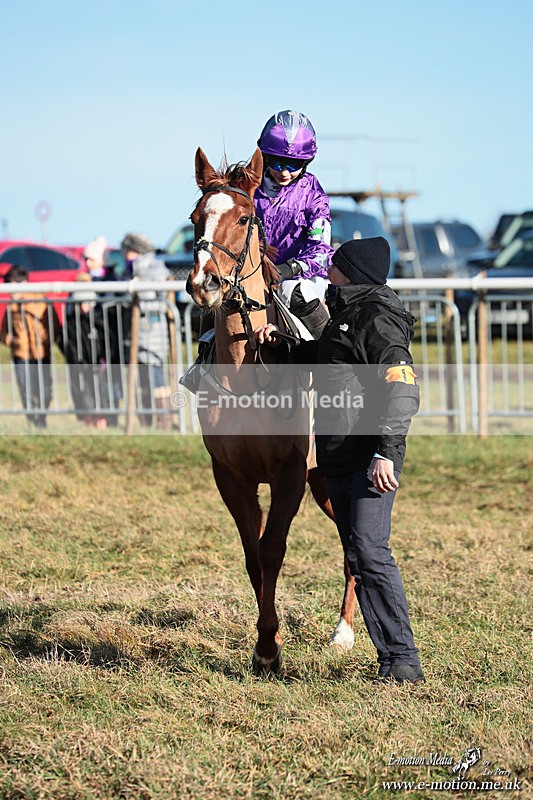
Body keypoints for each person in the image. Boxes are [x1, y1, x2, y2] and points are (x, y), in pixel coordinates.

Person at [255, 237, 425, 684]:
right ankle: (390, 661)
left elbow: (403, 389)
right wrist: (282, 343)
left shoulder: (377, 318)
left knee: (370, 552)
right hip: (340, 457)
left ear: (351, 272)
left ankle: (403, 661)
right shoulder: (346, 314)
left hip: (370, 461)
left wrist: (386, 453)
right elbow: (326, 360)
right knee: (359, 553)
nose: (327, 270)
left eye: (335, 265)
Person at [254, 109, 334, 339]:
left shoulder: (313, 193)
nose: (286, 172)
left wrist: (291, 269)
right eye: (278, 164)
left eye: (294, 164)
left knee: (292, 292)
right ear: (265, 157)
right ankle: (204, 358)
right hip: (255, 273)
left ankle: (329, 356)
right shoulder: (249, 186)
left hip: (301, 276)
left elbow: (321, 250)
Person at [121, 233, 171, 428]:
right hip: (134, 333)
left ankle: (163, 419)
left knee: (156, 376)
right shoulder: (130, 270)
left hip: (152, 332)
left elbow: (160, 298)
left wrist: (140, 294)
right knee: (142, 378)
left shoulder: (155, 268)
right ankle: (145, 419)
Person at [0, 265, 60, 429]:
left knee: (45, 389)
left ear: (23, 283)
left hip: (41, 353)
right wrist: (9, 340)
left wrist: (48, 341)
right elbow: (4, 330)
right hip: (21, 354)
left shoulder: (40, 301)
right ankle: (31, 420)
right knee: (25, 389)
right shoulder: (11, 306)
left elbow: (53, 324)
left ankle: (41, 417)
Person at [61, 274, 111, 429]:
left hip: (98, 363)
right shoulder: (71, 323)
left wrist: (103, 358)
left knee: (100, 393)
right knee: (83, 393)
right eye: (80, 303)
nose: (83, 306)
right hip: (79, 364)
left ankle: (102, 421)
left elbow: (107, 341)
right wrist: (76, 360)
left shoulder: (98, 320)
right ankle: (88, 423)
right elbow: (67, 343)